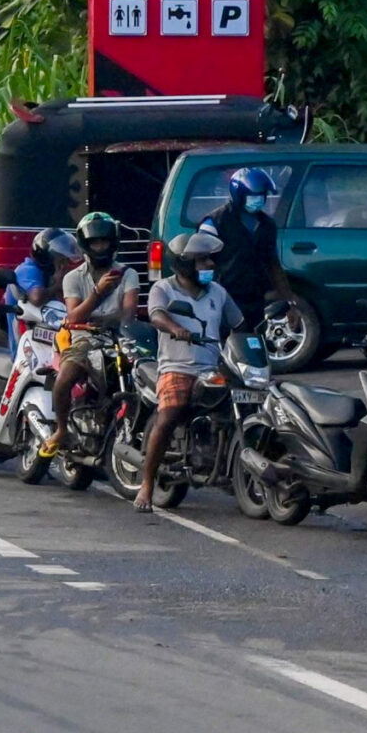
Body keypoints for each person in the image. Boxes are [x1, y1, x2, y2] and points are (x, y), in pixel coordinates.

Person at [140, 229, 243, 510]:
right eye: (202, 261)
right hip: (177, 368)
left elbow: (239, 324)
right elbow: (157, 315)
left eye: (210, 260)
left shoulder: (218, 292)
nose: (210, 265)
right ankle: (147, 484)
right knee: (170, 415)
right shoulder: (164, 288)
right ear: (185, 264)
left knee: (244, 407)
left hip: (213, 367)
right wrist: (176, 328)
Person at [42, 212, 138, 459]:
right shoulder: (73, 278)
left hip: (120, 337)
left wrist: (111, 322)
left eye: (104, 242)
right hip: (85, 338)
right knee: (65, 378)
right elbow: (74, 317)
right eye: (95, 242)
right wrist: (98, 292)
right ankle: (62, 429)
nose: (100, 247)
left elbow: (128, 314)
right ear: (86, 245)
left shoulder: (127, 274)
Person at [199, 166, 293, 325]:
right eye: (253, 196)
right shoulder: (215, 222)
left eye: (262, 196)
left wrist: (289, 301)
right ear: (240, 195)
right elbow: (201, 260)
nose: (259, 200)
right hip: (224, 297)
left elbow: (273, 263)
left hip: (256, 299)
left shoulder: (267, 225)